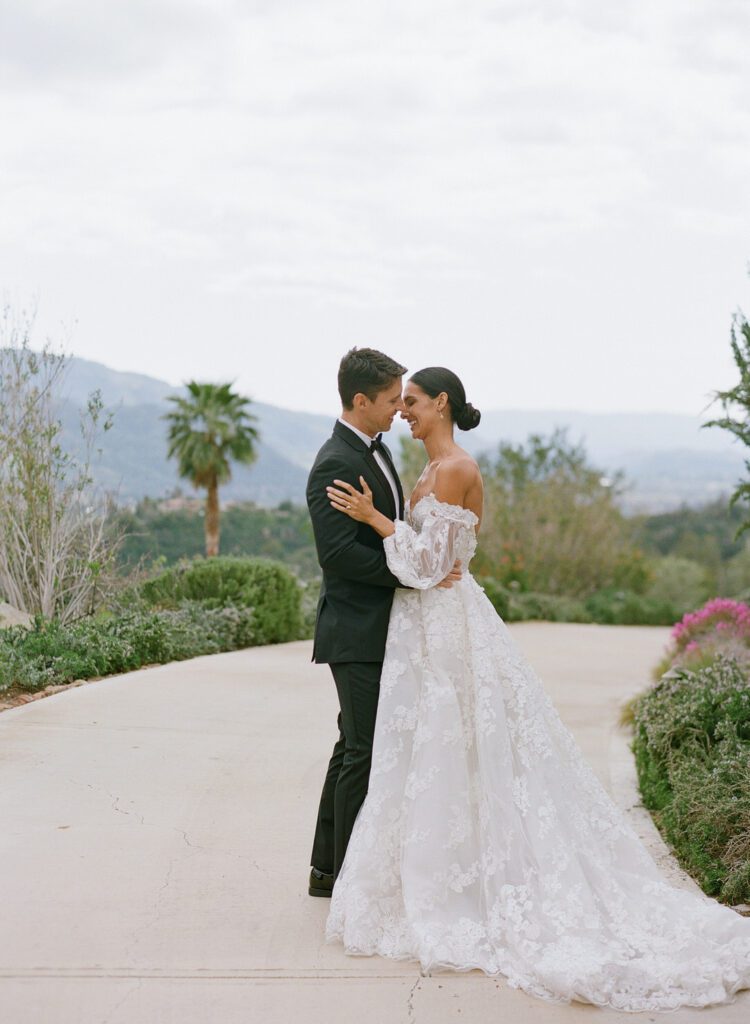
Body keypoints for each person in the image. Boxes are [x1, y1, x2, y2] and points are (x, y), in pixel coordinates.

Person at [321, 365, 750, 1012]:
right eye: (397, 402)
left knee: (465, 747)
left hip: (450, 629)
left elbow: (433, 567)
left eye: (411, 402)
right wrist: (394, 530)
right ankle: (433, 883)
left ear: (442, 402)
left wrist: (380, 523)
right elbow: (421, 562)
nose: (404, 411)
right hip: (422, 630)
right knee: (432, 755)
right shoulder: (424, 475)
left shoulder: (459, 468)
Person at [306, 349, 462, 899]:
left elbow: (393, 526)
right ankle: (346, 875)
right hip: (356, 629)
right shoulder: (334, 462)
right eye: (393, 400)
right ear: (360, 401)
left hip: (385, 628)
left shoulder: (378, 451)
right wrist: (414, 577)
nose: (400, 409)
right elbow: (340, 557)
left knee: (354, 745)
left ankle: (328, 870)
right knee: (364, 751)